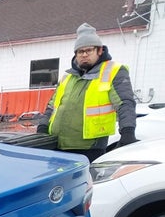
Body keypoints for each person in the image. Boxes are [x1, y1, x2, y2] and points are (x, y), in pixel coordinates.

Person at [36, 23, 136, 161]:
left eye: (88, 50)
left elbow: (125, 103)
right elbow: (52, 106)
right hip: (57, 145)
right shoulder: (67, 77)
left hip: (89, 149)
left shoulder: (113, 71)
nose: (84, 55)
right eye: (79, 52)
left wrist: (128, 132)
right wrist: (42, 127)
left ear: (99, 50)